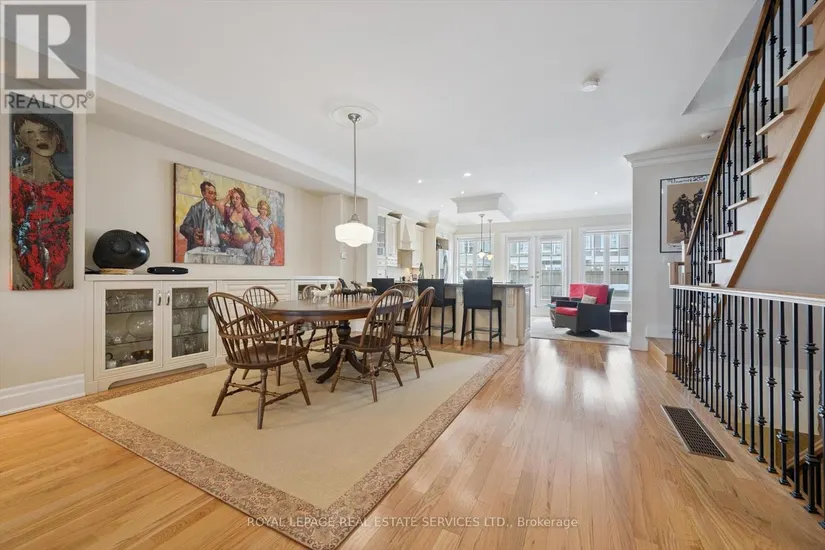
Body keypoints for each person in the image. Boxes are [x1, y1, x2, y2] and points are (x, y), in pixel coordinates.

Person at [10, 113, 74, 290]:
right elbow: (5, 226)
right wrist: (13, 269)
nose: (39, 137)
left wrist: (71, 268)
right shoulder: (13, 181)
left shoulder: (68, 186)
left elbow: (72, 229)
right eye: (30, 132)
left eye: (45, 131)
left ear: (57, 137)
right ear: (21, 140)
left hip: (60, 264)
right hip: (25, 261)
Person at [178, 181, 228, 250]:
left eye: (215, 193)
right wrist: (193, 232)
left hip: (218, 250)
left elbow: (225, 228)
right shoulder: (195, 209)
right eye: (210, 193)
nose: (214, 196)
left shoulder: (219, 209)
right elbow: (183, 228)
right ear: (203, 194)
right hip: (200, 250)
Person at [216, 187, 260, 251]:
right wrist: (228, 196)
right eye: (233, 198)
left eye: (237, 198)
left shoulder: (245, 212)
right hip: (232, 246)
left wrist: (252, 238)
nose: (235, 200)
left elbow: (256, 227)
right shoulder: (230, 211)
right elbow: (218, 205)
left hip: (245, 247)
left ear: (241, 199)